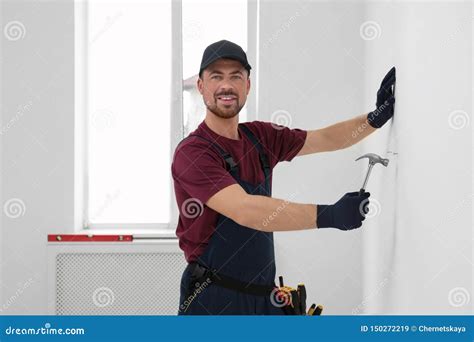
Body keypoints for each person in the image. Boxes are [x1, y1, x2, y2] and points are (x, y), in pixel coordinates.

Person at [172, 40, 396, 315]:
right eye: (216, 76)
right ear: (201, 86)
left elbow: (323, 139)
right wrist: (330, 215)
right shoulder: (193, 152)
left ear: (247, 86)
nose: (226, 86)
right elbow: (245, 210)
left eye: (236, 76)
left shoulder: (261, 137)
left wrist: (374, 118)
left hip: (265, 297)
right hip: (213, 299)